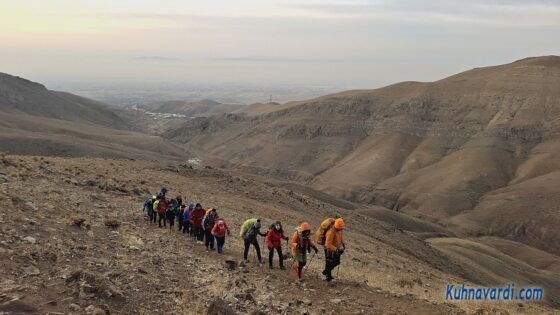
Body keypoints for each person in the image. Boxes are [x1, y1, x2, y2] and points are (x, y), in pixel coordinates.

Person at [324, 218, 345, 286]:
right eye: (340, 228)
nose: (341, 229)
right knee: (329, 263)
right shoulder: (330, 232)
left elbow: (341, 238)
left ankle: (326, 272)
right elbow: (327, 245)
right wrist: (336, 249)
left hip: (336, 249)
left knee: (336, 262)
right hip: (329, 250)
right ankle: (328, 277)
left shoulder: (339, 230)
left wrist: (343, 246)